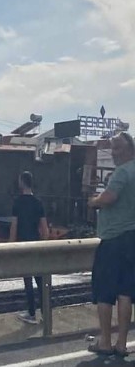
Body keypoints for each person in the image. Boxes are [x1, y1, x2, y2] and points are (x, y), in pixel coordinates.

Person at [87, 132, 135, 357]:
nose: (114, 153)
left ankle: (105, 341)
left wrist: (94, 201)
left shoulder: (122, 172)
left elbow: (109, 198)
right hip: (132, 238)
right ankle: (122, 343)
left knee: (105, 291)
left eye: (117, 148)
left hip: (114, 238)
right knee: (125, 292)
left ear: (128, 149)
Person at [9, 171, 49, 324]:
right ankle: (46, 313)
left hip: (23, 245)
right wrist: (43, 244)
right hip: (36, 245)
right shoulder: (38, 203)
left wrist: (10, 247)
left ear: (22, 182)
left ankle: (31, 313)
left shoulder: (17, 203)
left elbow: (14, 227)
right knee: (40, 281)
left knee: (28, 281)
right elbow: (45, 230)